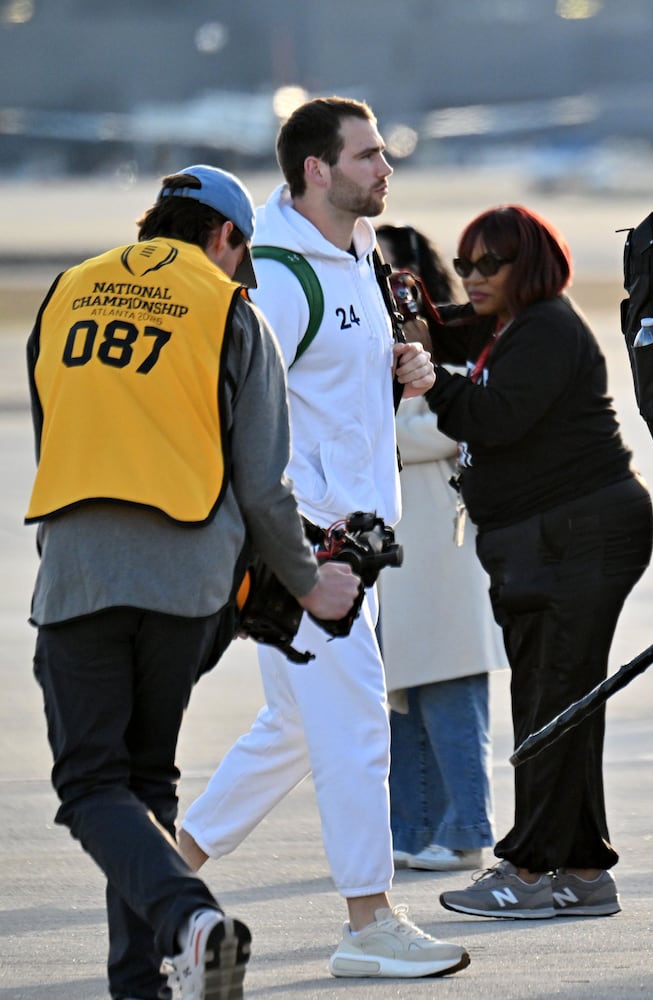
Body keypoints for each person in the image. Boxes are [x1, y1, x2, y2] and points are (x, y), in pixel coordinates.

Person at [26, 165, 360, 1000]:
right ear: (225, 238)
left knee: (92, 785)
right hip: (185, 586)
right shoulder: (230, 313)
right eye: (241, 256)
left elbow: (53, 430)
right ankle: (160, 961)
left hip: (78, 575)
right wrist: (309, 582)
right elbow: (262, 484)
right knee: (140, 782)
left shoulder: (67, 292)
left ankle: (177, 937)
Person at [174, 98, 469, 979]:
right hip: (310, 550)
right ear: (315, 168)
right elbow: (236, 419)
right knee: (352, 727)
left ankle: (160, 873)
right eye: (368, 155)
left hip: (353, 547)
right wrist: (298, 541)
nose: (386, 168)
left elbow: (328, 394)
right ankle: (368, 922)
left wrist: (402, 371)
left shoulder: (357, 255)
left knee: (293, 728)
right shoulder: (276, 274)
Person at [423, 205, 653, 922]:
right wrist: (413, 310)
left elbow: (490, 418)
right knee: (563, 703)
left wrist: (429, 378)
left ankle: (525, 870)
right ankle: (582, 871)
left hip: (579, 533)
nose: (473, 278)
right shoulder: (515, 328)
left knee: (551, 701)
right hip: (555, 539)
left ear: (530, 267)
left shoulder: (546, 326)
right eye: (465, 265)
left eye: (490, 264)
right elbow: (453, 327)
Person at [374, 223, 506, 873]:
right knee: (401, 692)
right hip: (401, 550)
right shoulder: (379, 356)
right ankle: (411, 828)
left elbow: (443, 431)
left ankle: (463, 830)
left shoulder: (448, 351)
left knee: (449, 688)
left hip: (443, 546)